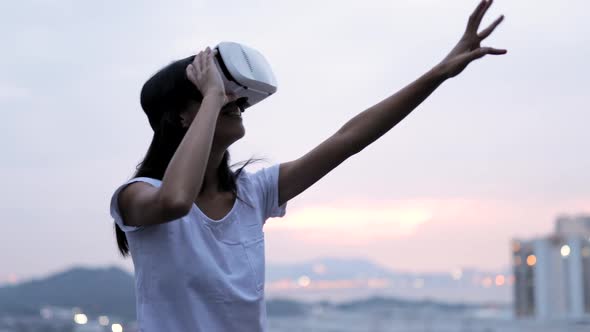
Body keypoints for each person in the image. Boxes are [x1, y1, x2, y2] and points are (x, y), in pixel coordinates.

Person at [109, 1, 506, 330]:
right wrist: (214, 95)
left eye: (235, 96)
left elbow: (348, 139)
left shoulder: (252, 193)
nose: (236, 101)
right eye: (217, 94)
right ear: (180, 116)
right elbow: (176, 200)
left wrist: (439, 72)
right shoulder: (135, 198)